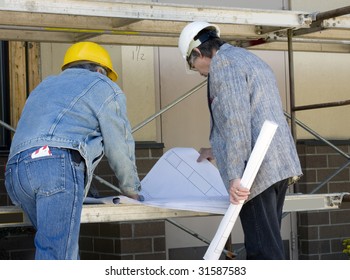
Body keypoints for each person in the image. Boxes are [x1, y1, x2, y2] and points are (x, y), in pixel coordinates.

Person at [5, 42, 142, 260]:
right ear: (100, 70)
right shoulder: (101, 84)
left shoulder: (44, 86)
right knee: (58, 257)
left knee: (60, 250)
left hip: (16, 173)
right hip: (54, 168)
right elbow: (119, 142)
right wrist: (131, 188)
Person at [178, 22, 303, 260]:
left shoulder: (223, 64)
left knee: (262, 252)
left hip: (255, 170)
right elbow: (256, 114)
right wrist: (215, 149)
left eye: (194, 66)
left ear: (197, 52)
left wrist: (236, 175)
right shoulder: (248, 58)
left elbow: (236, 120)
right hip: (278, 164)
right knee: (270, 242)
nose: (200, 73)